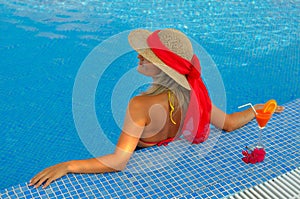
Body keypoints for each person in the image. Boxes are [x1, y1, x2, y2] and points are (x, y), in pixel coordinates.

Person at [30, 28, 284, 188]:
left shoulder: (139, 104)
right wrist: (255, 110)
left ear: (164, 68)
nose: (139, 56)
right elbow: (228, 123)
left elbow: (119, 161)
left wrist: (68, 166)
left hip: (139, 166)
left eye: (148, 56)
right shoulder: (194, 93)